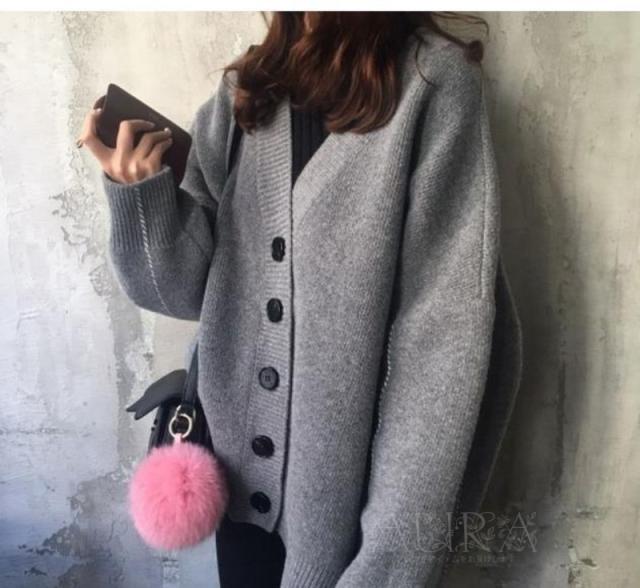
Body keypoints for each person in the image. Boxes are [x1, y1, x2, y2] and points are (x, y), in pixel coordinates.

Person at [78, 12, 523, 588]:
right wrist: (144, 198)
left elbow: (443, 346)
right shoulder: (247, 91)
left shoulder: (432, 85)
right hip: (238, 500)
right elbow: (187, 293)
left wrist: (389, 566)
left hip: (353, 527)